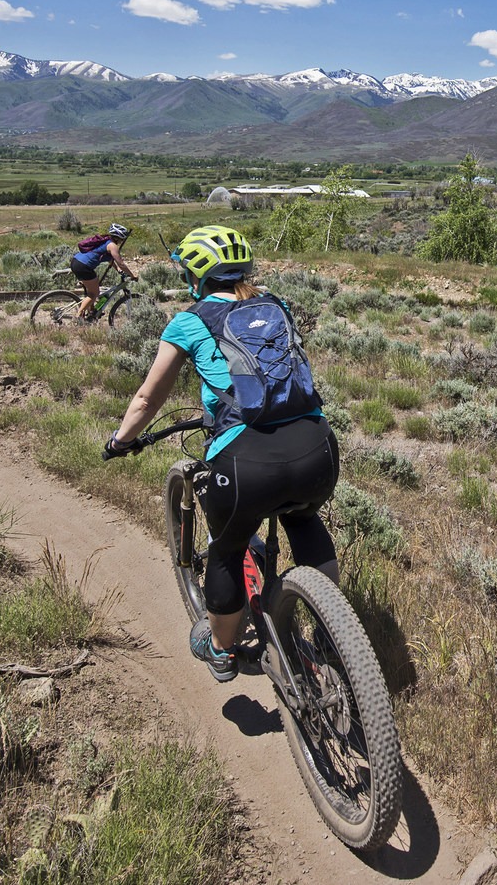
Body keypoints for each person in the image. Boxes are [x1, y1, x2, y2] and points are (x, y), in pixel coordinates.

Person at [103, 225, 339, 682]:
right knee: (304, 518)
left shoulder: (190, 321)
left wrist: (121, 440)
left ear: (197, 275)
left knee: (228, 550)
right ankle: (331, 631)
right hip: (317, 448)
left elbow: (148, 401)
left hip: (247, 462)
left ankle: (223, 649)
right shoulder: (277, 305)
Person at [71, 223, 139, 316]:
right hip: (84, 266)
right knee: (94, 294)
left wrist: (118, 270)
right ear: (119, 237)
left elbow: (110, 259)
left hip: (76, 261)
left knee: (94, 289)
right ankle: (78, 316)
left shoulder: (105, 240)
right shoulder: (112, 246)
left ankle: (91, 312)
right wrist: (132, 275)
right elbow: (121, 263)